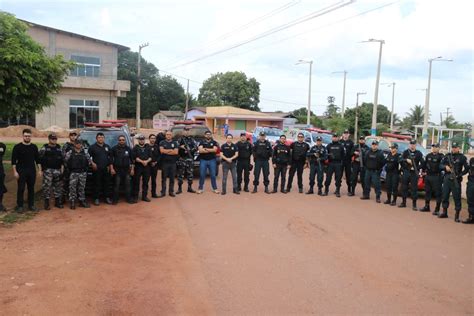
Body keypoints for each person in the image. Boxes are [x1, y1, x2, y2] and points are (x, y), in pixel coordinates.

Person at [11, 129, 40, 212]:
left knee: (31, 188)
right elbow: (13, 161)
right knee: (21, 188)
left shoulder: (34, 147)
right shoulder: (17, 147)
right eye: (26, 136)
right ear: (23, 136)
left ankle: (31, 205)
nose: (27, 137)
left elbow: (37, 160)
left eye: (29, 136)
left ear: (31, 137)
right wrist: (15, 172)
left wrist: (39, 170)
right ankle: (20, 206)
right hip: (21, 171)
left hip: (31, 171)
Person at [439, 142, 469, 222]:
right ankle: (444, 212)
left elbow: (467, 169)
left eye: (456, 147)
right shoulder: (447, 156)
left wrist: (460, 174)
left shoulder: (462, 157)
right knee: (445, 195)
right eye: (453, 147)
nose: (454, 149)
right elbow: (440, 165)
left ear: (459, 148)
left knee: (457, 198)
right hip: (447, 178)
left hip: (456, 179)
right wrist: (445, 167)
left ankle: (457, 215)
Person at [38, 133, 64, 210]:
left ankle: (57, 202)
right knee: (47, 187)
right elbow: (39, 160)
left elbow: (62, 160)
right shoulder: (44, 148)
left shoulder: (59, 148)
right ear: (49, 139)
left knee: (58, 187)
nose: (54, 140)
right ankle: (46, 203)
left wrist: (62, 169)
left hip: (57, 170)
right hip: (47, 171)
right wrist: (40, 170)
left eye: (55, 139)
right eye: (52, 139)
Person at [65, 139, 91, 210]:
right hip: (74, 173)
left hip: (82, 172)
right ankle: (72, 202)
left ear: (82, 144)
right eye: (77, 143)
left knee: (81, 188)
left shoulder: (85, 152)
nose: (79, 145)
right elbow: (65, 161)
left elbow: (89, 161)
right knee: (72, 188)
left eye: (80, 143)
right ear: (74, 144)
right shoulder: (70, 152)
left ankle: (81, 201)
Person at [88, 132, 113, 205]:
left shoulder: (107, 147)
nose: (101, 139)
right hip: (97, 169)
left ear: (104, 138)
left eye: (102, 137)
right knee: (97, 184)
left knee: (106, 184)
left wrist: (109, 166)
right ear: (96, 138)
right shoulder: (92, 147)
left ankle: (107, 198)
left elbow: (110, 157)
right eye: (99, 137)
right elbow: (88, 157)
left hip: (106, 169)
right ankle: (96, 198)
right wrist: (92, 163)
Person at [399, 139, 424, 210]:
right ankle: (403, 202)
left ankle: (414, 205)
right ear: (409, 145)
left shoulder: (418, 153)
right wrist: (406, 160)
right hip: (406, 172)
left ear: (415, 145)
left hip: (414, 173)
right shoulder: (406, 152)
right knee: (404, 187)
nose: (412, 145)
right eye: (411, 144)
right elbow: (400, 160)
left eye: (413, 144)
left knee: (414, 189)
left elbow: (423, 163)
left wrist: (417, 168)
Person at [420, 143, 444, 214]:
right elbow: (424, 165)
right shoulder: (428, 155)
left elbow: (443, 165)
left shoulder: (441, 156)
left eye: (436, 147)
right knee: (427, 192)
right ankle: (427, 206)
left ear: (438, 148)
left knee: (437, 193)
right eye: (433, 147)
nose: (434, 148)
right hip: (428, 176)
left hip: (437, 176)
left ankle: (437, 209)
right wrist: (423, 172)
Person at [110, 135, 134, 204]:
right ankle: (115, 200)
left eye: (123, 140)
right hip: (117, 170)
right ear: (118, 141)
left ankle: (129, 199)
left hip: (126, 170)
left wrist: (132, 169)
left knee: (128, 185)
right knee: (116, 185)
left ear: (125, 140)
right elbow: (111, 160)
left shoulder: (128, 149)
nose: (121, 141)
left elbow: (132, 160)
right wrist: (112, 169)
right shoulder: (114, 148)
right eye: (120, 140)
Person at [159, 131, 179, 197]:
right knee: (164, 178)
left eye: (170, 135)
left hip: (173, 163)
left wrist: (166, 151)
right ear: (165, 135)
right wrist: (171, 150)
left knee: (172, 178)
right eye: (167, 134)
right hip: (165, 163)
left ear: (172, 136)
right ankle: (163, 192)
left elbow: (176, 152)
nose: (168, 136)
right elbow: (161, 151)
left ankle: (171, 192)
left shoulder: (175, 143)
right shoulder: (162, 142)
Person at [133, 135, 152, 202]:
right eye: (140, 139)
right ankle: (135, 197)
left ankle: (144, 196)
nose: (141, 140)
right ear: (138, 140)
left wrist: (146, 161)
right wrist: (142, 161)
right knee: (136, 182)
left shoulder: (148, 147)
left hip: (146, 167)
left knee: (146, 182)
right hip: (138, 167)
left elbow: (150, 157)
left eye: (143, 139)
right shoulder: (135, 147)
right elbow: (135, 158)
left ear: (144, 140)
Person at [177, 127, 197, 194]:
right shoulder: (180, 139)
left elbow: (196, 147)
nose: (187, 132)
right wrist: (181, 147)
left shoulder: (192, 139)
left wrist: (189, 150)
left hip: (190, 158)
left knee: (190, 174)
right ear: (183, 132)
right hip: (182, 159)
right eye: (185, 131)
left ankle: (190, 188)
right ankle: (179, 189)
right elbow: (176, 147)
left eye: (188, 131)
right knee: (180, 174)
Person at [61, 131, 78, 203]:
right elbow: (63, 156)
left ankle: (73, 198)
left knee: (75, 184)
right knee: (65, 183)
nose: (73, 137)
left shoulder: (78, 145)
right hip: (68, 168)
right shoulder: (66, 145)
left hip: (76, 168)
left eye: (74, 135)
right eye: (72, 135)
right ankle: (63, 198)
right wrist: (65, 166)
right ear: (69, 137)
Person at [340, 130, 355, 195]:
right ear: (343, 134)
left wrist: (352, 155)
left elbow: (353, 151)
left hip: (348, 161)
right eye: (344, 133)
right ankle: (337, 189)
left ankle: (349, 189)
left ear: (348, 135)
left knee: (348, 176)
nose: (346, 135)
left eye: (347, 133)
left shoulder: (351, 142)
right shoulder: (340, 142)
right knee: (338, 175)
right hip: (340, 161)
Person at [148, 134, 161, 198]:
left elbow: (159, 156)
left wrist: (156, 162)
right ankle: (144, 195)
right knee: (146, 180)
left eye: (154, 138)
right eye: (151, 138)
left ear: (155, 139)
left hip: (155, 166)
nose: (153, 139)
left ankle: (153, 193)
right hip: (147, 166)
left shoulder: (157, 146)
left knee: (154, 180)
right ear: (149, 139)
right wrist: (149, 162)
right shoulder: (146, 146)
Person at [463, 157, 474, 224]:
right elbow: (467, 169)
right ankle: (471, 217)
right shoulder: (472, 160)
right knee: (470, 200)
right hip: (471, 182)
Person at [0, 141, 7, 212]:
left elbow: (2, 155)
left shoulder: (2, 146)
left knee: (1, 187)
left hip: (0, 171)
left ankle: (0, 204)